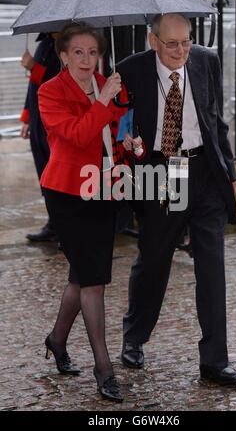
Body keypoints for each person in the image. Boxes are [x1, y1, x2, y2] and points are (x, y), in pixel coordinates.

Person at [117, 13, 236, 386]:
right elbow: (122, 125)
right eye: (171, 43)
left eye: (186, 41)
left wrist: (230, 170)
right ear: (152, 39)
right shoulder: (131, 70)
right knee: (155, 258)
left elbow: (216, 119)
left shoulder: (206, 60)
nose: (180, 50)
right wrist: (129, 144)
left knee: (212, 264)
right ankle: (134, 337)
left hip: (204, 169)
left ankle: (214, 361)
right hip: (164, 170)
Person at [38, 23, 127, 402]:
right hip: (65, 192)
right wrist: (104, 100)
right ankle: (104, 368)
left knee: (83, 273)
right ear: (63, 56)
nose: (86, 60)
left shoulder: (106, 82)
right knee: (93, 279)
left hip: (103, 187)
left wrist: (130, 141)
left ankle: (57, 339)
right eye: (78, 52)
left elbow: (113, 136)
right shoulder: (49, 91)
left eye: (92, 52)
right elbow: (75, 135)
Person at [20, 33, 61, 242]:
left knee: (56, 174)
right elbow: (33, 87)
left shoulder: (67, 44)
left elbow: (59, 81)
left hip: (54, 122)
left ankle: (61, 224)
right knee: (44, 172)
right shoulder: (45, 43)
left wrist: (32, 68)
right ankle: (53, 222)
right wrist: (27, 117)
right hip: (38, 118)